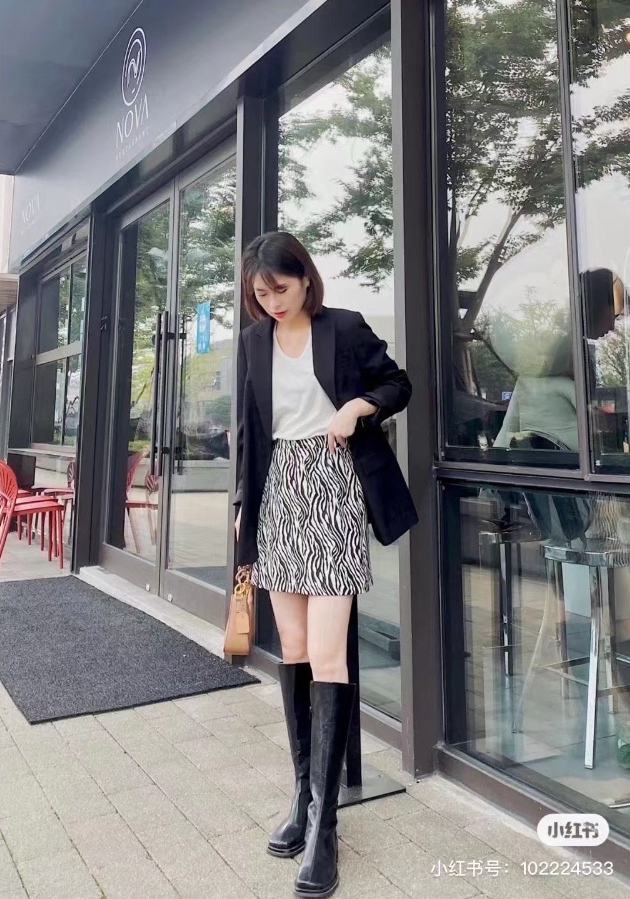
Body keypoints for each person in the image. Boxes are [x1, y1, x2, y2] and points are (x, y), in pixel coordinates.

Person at [234, 231, 418, 898]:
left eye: (280, 289)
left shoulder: (343, 328)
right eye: (260, 294)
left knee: (329, 653)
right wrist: (242, 505)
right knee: (293, 650)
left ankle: (326, 825)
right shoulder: (253, 342)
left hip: (336, 486)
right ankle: (303, 796)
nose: (272, 302)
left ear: (305, 280)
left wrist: (357, 406)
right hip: (279, 492)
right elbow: (250, 429)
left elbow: (397, 383)